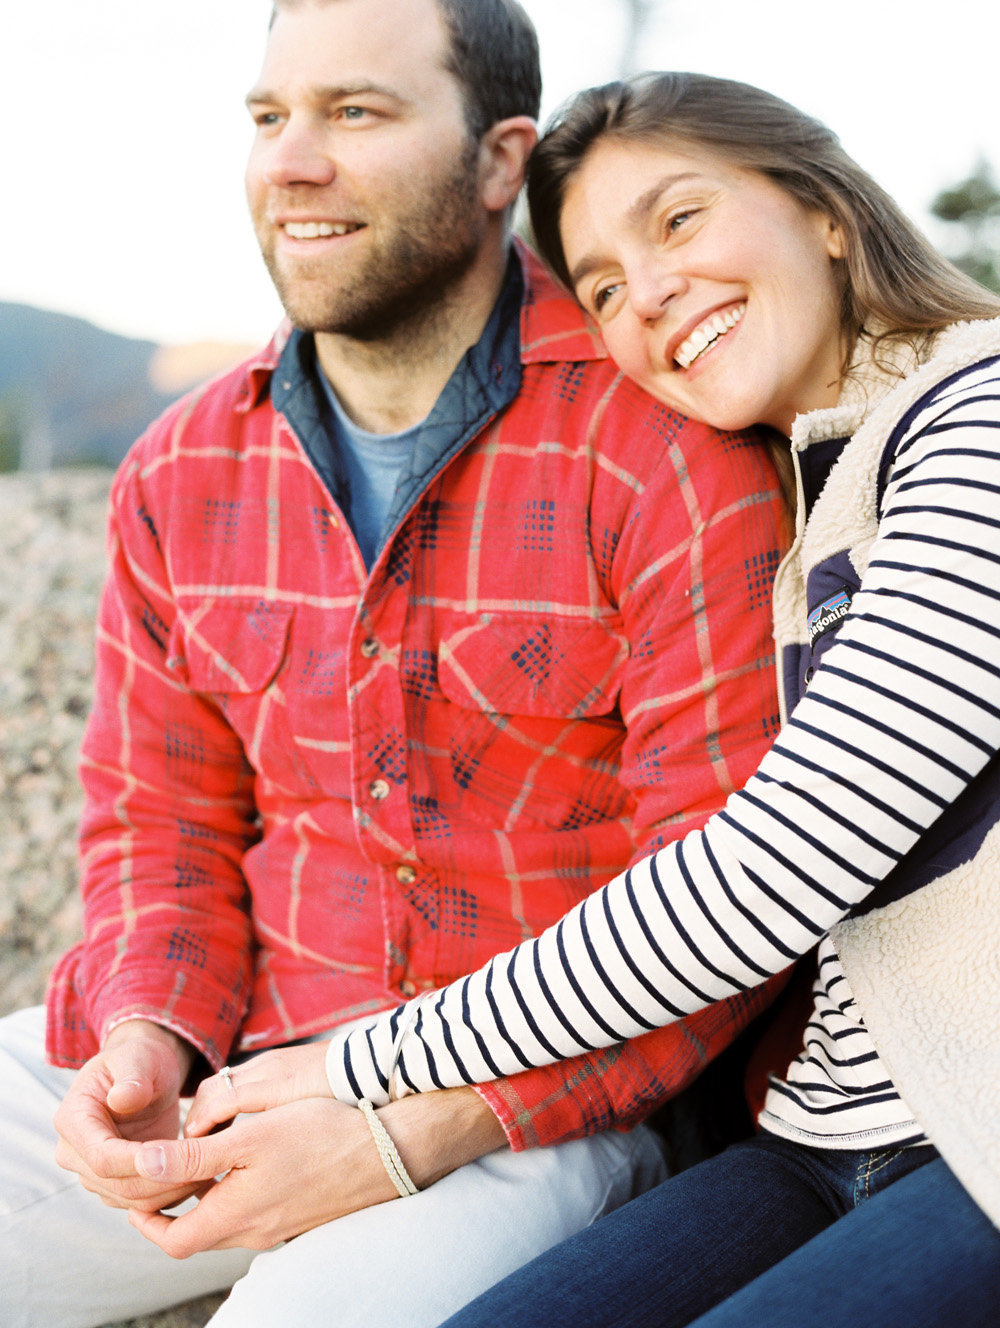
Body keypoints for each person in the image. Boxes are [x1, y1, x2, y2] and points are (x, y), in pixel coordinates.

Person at [170, 72, 1000, 1327]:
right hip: (822, 1136)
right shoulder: (808, 492)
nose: (650, 294)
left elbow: (771, 867)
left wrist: (362, 1063)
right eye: (602, 285)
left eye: (677, 221)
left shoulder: (977, 417)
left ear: (824, 208)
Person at [0, 13, 791, 1328]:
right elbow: (161, 819)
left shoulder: (664, 448)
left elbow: (725, 902)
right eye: (268, 118)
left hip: (531, 1111)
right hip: (239, 1056)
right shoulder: (183, 470)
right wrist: (147, 1030)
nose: (291, 164)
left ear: (499, 162)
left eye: (356, 114)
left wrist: (403, 1127)